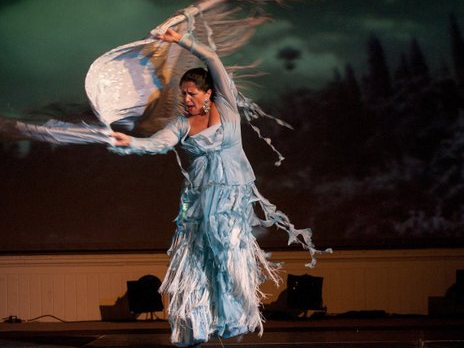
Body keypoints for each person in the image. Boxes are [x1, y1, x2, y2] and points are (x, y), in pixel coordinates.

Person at [110, 28, 326, 347]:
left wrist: (177, 38)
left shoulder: (226, 107)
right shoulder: (181, 124)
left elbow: (211, 58)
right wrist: (131, 141)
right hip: (202, 200)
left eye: (191, 93)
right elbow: (157, 144)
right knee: (198, 257)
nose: (186, 99)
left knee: (227, 254)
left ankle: (232, 318)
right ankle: (196, 324)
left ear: (208, 93)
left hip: (231, 198)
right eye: (182, 94)